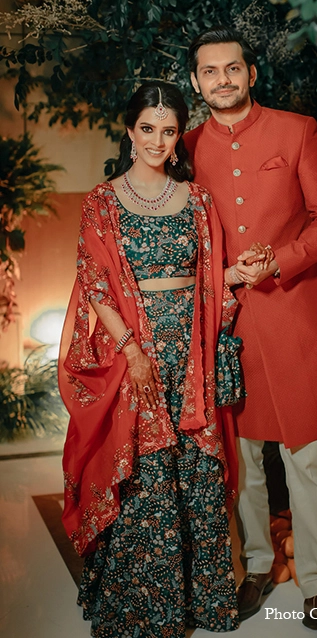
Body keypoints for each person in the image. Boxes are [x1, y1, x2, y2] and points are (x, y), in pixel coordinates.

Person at [58, 81, 249, 637]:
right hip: (134, 351)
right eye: (148, 129)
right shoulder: (101, 201)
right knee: (144, 473)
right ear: (129, 130)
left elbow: (208, 277)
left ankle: (200, 602)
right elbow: (96, 284)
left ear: (178, 135)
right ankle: (143, 610)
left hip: (191, 352)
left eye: (169, 131)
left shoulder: (198, 200)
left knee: (194, 469)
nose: (157, 141)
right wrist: (131, 350)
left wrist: (243, 272)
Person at [184, 27, 317, 633]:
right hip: (227, 322)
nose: (222, 80)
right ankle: (255, 566)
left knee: (307, 455)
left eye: (232, 68)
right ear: (196, 81)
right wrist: (222, 277)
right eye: (210, 71)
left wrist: (280, 261)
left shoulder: (296, 130)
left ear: (251, 73)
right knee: (242, 456)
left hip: (296, 315)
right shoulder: (186, 147)